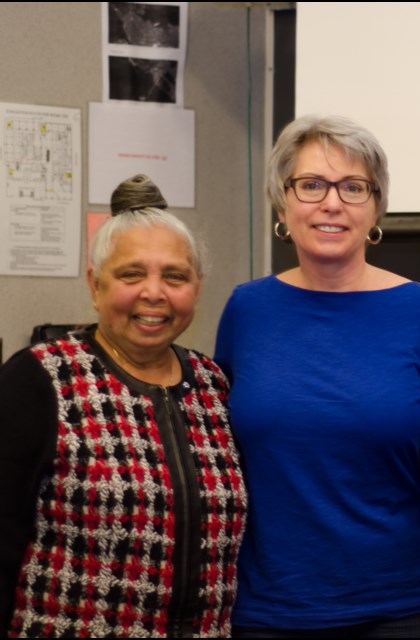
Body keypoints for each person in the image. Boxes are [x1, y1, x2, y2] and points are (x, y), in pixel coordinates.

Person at [214, 115, 420, 636]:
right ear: (283, 203)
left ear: (376, 208)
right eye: (311, 185)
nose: (332, 203)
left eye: (353, 187)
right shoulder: (247, 310)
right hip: (271, 608)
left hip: (408, 607)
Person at [0, 208, 246, 637]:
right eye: (132, 275)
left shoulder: (215, 386)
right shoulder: (42, 378)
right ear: (96, 285)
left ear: (198, 287)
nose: (154, 293)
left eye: (175, 277)